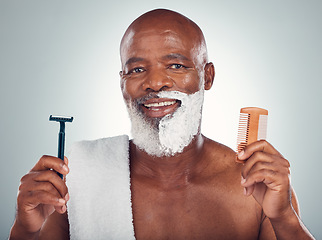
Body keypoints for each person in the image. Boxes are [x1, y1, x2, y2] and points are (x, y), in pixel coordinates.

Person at [9, 9, 315, 240]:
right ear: (122, 83)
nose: (154, 83)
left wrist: (284, 218)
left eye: (176, 65)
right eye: (137, 69)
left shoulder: (255, 188)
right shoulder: (76, 181)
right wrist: (25, 228)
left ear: (206, 76)